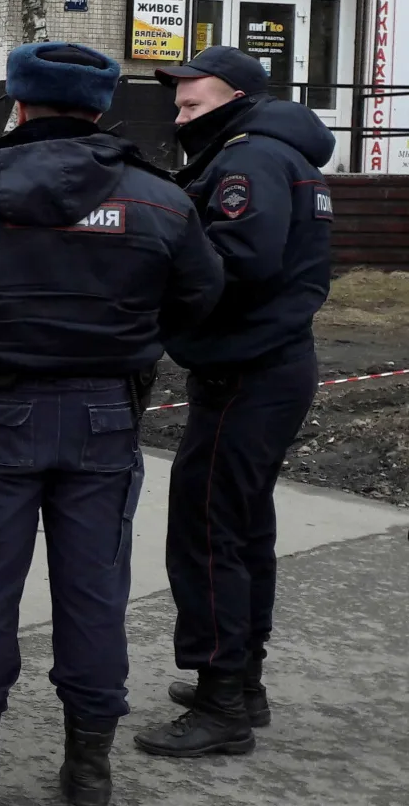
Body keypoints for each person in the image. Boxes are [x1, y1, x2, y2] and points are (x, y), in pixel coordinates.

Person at [0, 42, 225, 806]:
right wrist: (128, 335)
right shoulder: (159, 197)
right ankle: (88, 768)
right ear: (100, 109)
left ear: (19, 104)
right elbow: (201, 294)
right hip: (106, 412)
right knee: (95, 592)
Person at [133, 46, 335, 759]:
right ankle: (242, 679)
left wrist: (151, 275)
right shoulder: (277, 153)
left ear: (238, 98)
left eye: (193, 104)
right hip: (270, 366)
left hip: (247, 372)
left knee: (209, 529)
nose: (180, 115)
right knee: (243, 526)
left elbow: (237, 260)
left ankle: (222, 701)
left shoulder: (248, 160)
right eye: (179, 104)